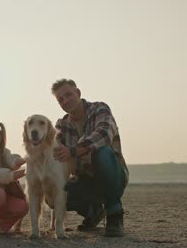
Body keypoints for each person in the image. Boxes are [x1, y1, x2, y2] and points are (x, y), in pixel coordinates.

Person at [51, 79, 129, 237]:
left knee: (102, 152)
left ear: (78, 93)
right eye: (60, 99)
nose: (65, 100)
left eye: (68, 95)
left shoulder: (99, 108)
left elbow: (105, 133)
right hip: (84, 178)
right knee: (52, 197)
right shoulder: (61, 125)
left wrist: (73, 150)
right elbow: (56, 154)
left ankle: (114, 214)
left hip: (113, 174)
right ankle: (93, 211)